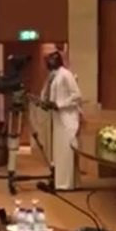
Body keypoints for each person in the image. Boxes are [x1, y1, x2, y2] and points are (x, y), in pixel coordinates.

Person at [41, 51, 82, 191]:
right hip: (58, 119)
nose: (48, 63)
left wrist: (60, 104)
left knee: (66, 152)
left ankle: (66, 184)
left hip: (67, 119)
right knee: (59, 153)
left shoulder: (66, 74)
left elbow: (77, 96)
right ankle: (59, 182)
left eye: (50, 60)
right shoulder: (54, 76)